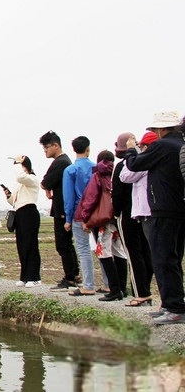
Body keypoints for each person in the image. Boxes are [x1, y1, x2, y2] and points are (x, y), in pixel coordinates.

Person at [125, 111, 185, 324]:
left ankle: (174, 307)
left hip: (163, 208)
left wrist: (131, 150)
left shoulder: (163, 145)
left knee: (162, 258)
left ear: (160, 129)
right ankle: (172, 305)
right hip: (179, 209)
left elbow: (134, 165)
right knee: (174, 258)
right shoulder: (180, 145)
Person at [76, 150, 127, 302]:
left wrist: (85, 218)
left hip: (104, 221)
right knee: (119, 252)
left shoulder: (98, 175)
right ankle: (123, 288)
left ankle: (114, 289)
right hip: (117, 219)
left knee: (103, 253)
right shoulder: (119, 171)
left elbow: (90, 199)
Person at [115, 132, 155, 307]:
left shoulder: (125, 165)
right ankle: (145, 289)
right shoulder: (149, 162)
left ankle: (141, 292)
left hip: (128, 214)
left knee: (133, 254)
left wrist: (116, 213)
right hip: (145, 214)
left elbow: (117, 192)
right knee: (147, 252)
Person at [39, 131, 80, 291]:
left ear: (56, 145)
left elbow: (45, 182)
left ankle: (70, 277)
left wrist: (47, 187)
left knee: (63, 244)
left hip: (63, 208)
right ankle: (74, 274)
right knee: (66, 244)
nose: (45, 151)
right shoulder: (63, 161)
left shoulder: (61, 162)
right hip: (62, 206)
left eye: (47, 147)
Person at [63, 136, 98, 297]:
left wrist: (68, 219)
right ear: (88, 148)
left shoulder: (70, 170)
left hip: (79, 213)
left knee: (83, 249)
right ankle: (108, 284)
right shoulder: (96, 168)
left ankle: (89, 285)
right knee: (102, 249)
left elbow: (69, 198)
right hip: (96, 214)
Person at [3, 156, 41, 287]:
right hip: (19, 212)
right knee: (22, 245)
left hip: (29, 212)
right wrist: (8, 195)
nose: (20, 169)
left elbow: (20, 177)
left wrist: (17, 163)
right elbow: (15, 200)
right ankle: (24, 276)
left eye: (22, 166)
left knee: (30, 245)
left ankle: (34, 277)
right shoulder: (21, 183)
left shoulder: (32, 179)